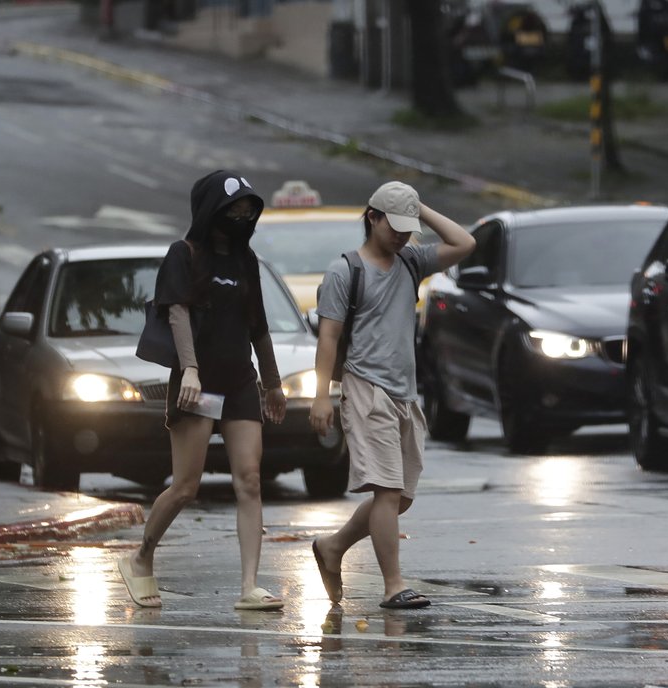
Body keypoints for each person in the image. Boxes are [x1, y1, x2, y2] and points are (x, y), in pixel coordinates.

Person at [117, 170, 288, 612]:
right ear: (212, 210)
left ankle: (250, 585)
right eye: (234, 209)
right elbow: (177, 313)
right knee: (186, 486)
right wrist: (189, 370)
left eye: (248, 210)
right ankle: (141, 557)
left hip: (239, 383)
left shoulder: (246, 261)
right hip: (200, 385)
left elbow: (259, 326)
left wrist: (272, 383)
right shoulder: (185, 255)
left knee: (249, 480)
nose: (242, 216)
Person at [309, 182, 476, 609]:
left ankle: (332, 547)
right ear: (372, 218)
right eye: (394, 225)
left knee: (399, 498)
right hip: (365, 387)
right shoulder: (345, 271)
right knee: (385, 491)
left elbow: (465, 242)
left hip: (405, 393)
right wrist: (321, 396)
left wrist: (418, 207)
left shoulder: (411, 261)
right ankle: (393, 585)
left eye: (408, 227)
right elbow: (328, 338)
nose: (401, 235)